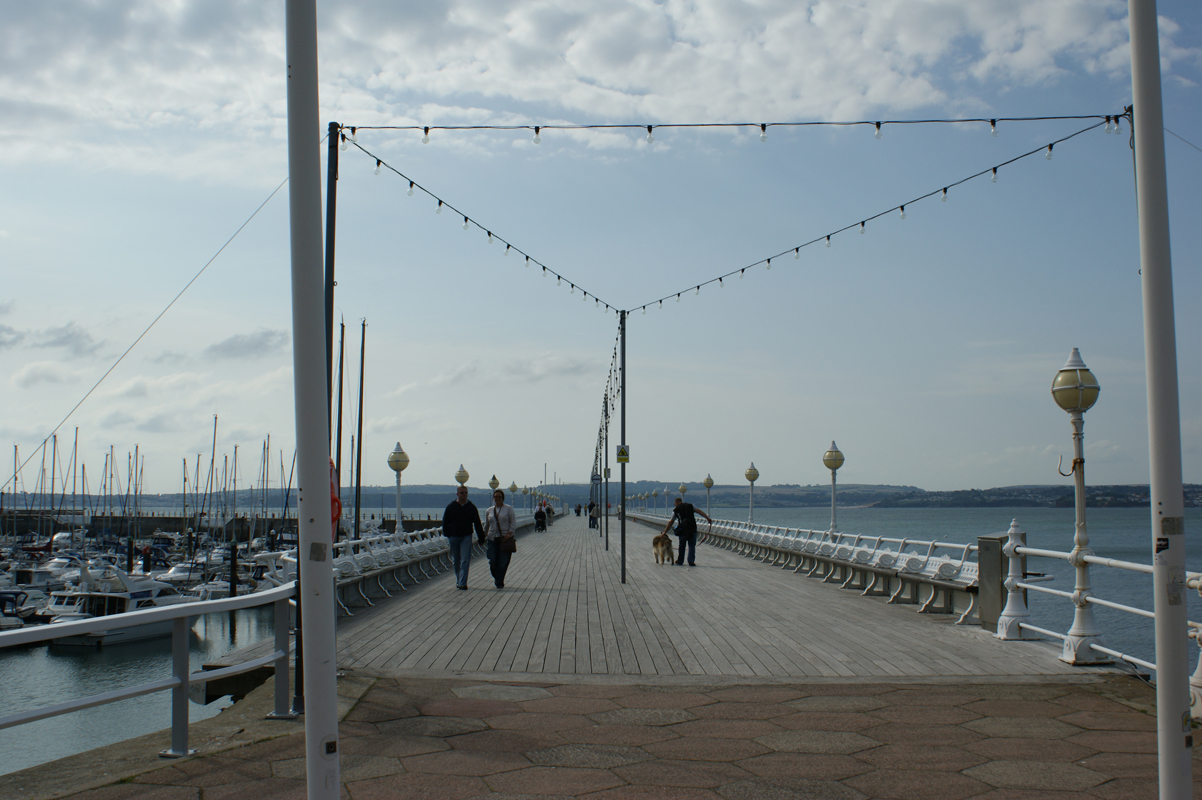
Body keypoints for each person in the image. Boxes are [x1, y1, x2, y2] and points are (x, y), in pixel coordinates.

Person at [442, 486, 484, 590]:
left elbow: (477, 523)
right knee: (456, 560)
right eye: (462, 493)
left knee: (465, 559)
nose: (464, 494)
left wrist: (481, 537)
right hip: (454, 536)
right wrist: (447, 533)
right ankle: (459, 579)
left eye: (465, 493)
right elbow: (445, 521)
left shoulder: (471, 507)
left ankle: (462, 582)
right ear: (457, 494)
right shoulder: (451, 507)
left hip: (466, 536)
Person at [662, 496, 712, 566]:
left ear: (676, 503)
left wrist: (665, 532)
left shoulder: (675, 510)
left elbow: (671, 522)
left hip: (683, 529)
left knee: (682, 545)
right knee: (692, 545)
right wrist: (707, 518)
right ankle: (691, 560)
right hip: (692, 527)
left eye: (674, 504)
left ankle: (680, 561)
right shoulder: (691, 506)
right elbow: (699, 511)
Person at [483, 489, 518, 588]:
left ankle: (499, 581)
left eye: (499, 497)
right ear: (493, 498)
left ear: (502, 498)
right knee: (493, 561)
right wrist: (483, 536)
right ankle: (498, 578)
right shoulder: (489, 510)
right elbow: (487, 525)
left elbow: (513, 523)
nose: (497, 499)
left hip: (504, 539)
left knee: (503, 562)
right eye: (495, 497)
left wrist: (509, 534)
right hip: (492, 538)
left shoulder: (508, 509)